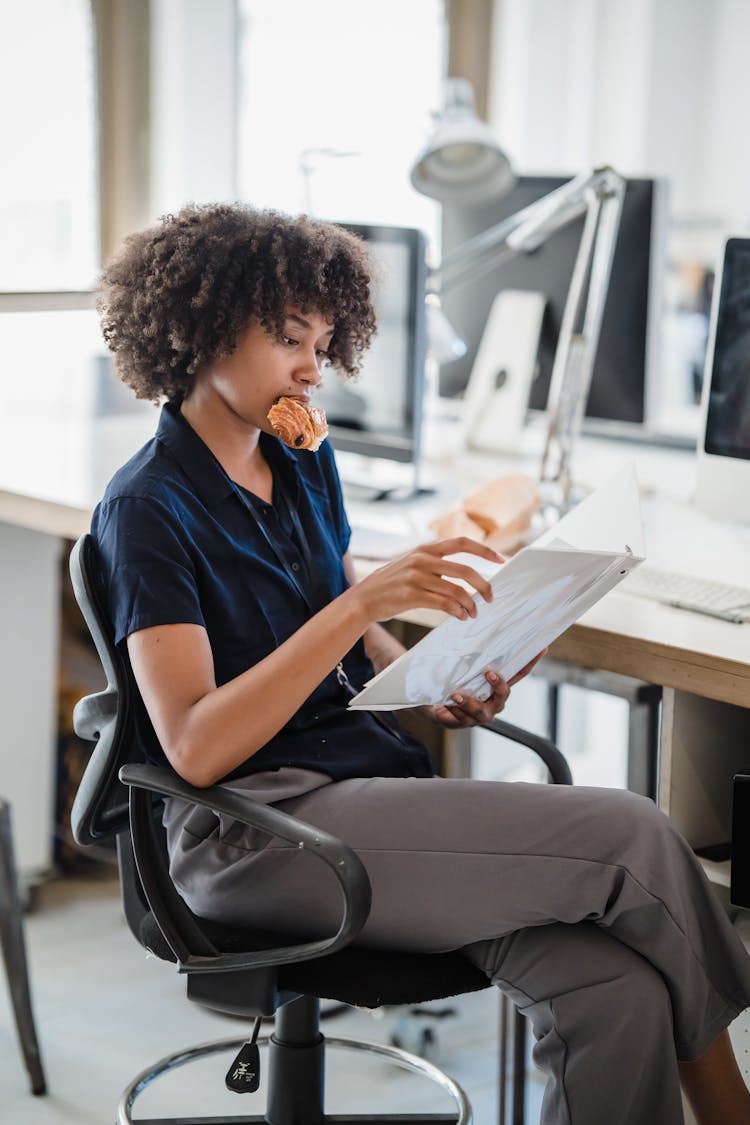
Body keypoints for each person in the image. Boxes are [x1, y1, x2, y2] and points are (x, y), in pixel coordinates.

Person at [90, 202, 750, 1125]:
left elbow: (357, 642)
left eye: (322, 341)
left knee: (615, 990)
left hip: (358, 792)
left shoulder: (302, 458)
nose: (312, 368)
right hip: (251, 829)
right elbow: (196, 747)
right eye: (289, 339)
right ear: (203, 328)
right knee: (633, 833)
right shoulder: (147, 510)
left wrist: (436, 677)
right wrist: (363, 604)